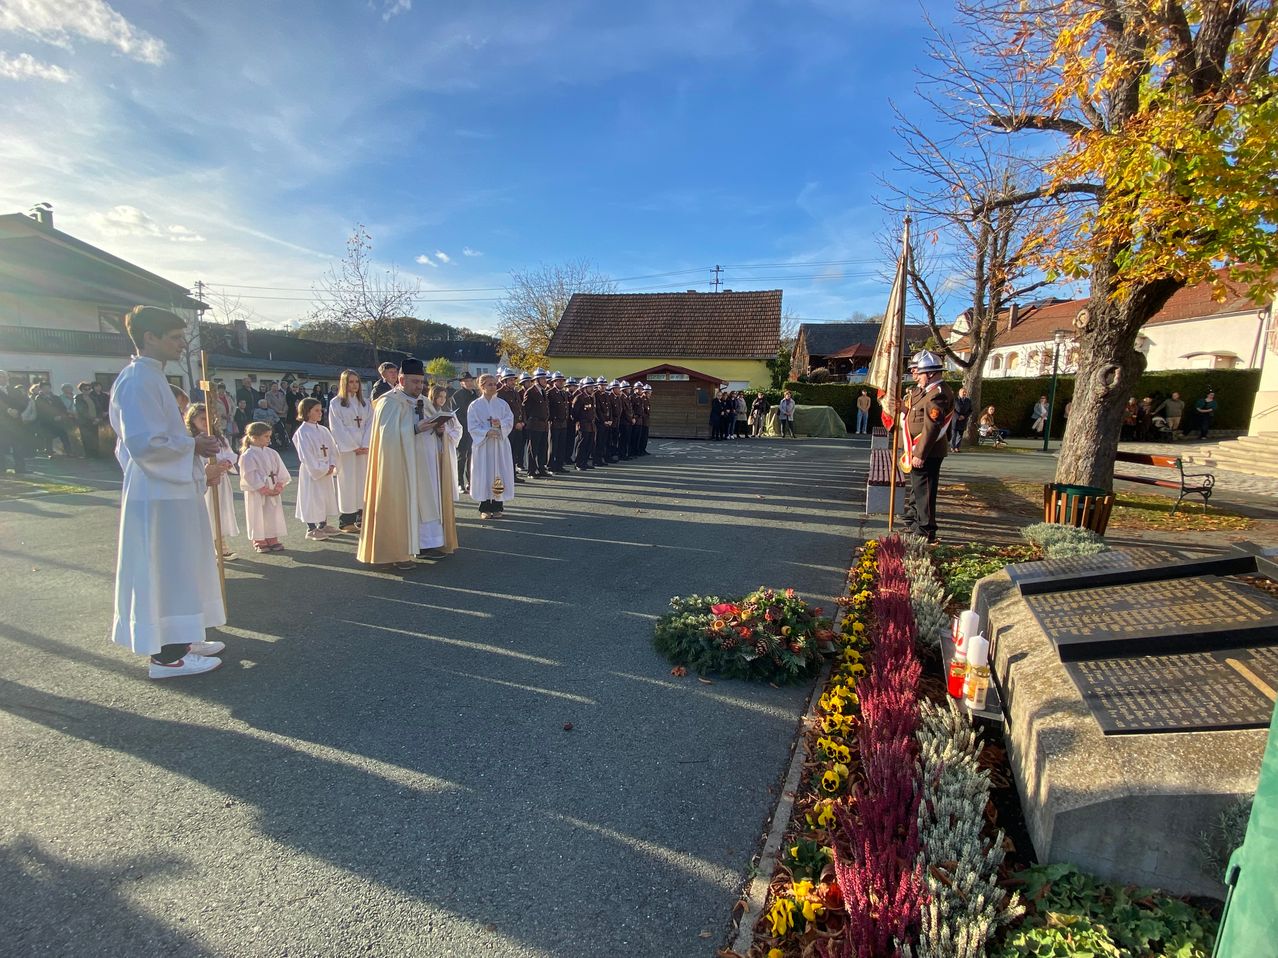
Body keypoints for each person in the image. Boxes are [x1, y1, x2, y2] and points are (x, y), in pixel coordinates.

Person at [109, 306, 226, 679]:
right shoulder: (137, 380)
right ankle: (166, 656)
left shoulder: (153, 377)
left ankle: (184, 635)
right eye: (175, 338)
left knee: (182, 564)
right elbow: (145, 444)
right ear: (149, 338)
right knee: (166, 567)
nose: (181, 345)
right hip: (157, 492)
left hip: (170, 490)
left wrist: (193, 444)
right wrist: (193, 445)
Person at [358, 358, 454, 571]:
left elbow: (434, 424)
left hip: (426, 463)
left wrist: (439, 431)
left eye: (421, 382)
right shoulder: (388, 401)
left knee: (428, 500)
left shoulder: (424, 401)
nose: (419, 386)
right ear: (401, 379)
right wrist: (414, 429)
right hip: (400, 466)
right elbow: (386, 437)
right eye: (414, 382)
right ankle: (396, 550)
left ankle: (427, 543)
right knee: (403, 503)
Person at [901, 350, 955, 544]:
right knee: (918, 490)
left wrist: (920, 453)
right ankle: (917, 522)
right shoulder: (929, 391)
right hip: (921, 450)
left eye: (919, 372)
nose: (916, 376)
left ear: (930, 373)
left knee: (926, 492)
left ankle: (926, 529)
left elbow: (932, 427)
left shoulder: (938, 394)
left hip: (928, 452)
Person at [186, 403, 239, 559]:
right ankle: (206, 550)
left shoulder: (219, 437)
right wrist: (207, 470)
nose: (206, 422)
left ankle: (221, 544)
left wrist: (227, 463)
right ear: (192, 419)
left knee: (220, 512)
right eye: (202, 418)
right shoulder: (190, 439)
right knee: (206, 512)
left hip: (221, 481)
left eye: (209, 419)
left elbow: (231, 454)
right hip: (203, 482)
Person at [327, 370, 372, 532]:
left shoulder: (366, 403)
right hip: (347, 450)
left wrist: (365, 444)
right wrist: (354, 446)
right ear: (344, 383)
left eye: (357, 382)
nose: (354, 385)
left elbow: (370, 424)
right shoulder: (336, 403)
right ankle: (346, 520)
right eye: (351, 382)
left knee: (363, 481)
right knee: (348, 483)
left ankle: (362, 517)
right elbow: (336, 427)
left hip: (364, 448)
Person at [467, 373, 515, 520]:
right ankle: (485, 506)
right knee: (485, 474)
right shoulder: (475, 406)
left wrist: (501, 424)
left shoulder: (502, 404)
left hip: (499, 444)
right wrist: (486, 432)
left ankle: (498, 505)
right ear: (482, 387)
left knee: (499, 472)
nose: (494, 387)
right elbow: (472, 426)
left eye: (495, 384)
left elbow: (509, 420)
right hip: (484, 446)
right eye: (490, 384)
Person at [421, 382, 462, 554]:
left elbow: (458, 430)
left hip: (446, 451)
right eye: (439, 396)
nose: (442, 400)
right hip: (431, 453)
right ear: (433, 396)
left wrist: (446, 432)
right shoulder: (427, 411)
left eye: (444, 397)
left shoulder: (449, 414)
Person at [292, 397, 340, 540]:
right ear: (307, 412)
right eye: (317, 410)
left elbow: (332, 449)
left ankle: (323, 525)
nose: (321, 413)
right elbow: (306, 455)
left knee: (324, 497)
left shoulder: (324, 430)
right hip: (312, 471)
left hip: (326, 469)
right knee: (312, 498)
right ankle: (311, 528)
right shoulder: (303, 432)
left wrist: (331, 465)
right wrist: (321, 468)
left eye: (321, 410)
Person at [239, 421, 289, 553]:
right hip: (257, 493)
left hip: (273, 489)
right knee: (257, 514)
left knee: (271, 513)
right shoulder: (248, 455)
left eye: (269, 436)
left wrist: (279, 485)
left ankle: (272, 537)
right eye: (266, 436)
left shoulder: (272, 453)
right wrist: (263, 488)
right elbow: (249, 474)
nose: (269, 439)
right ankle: (259, 540)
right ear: (254, 437)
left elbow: (281, 470)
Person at [522, 369, 551, 477]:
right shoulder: (531, 391)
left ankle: (541, 469)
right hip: (534, 424)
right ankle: (531, 471)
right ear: (536, 380)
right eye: (543, 378)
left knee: (542, 448)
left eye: (545, 378)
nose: (545, 380)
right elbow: (525, 408)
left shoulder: (543, 391)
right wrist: (528, 421)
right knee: (533, 449)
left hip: (543, 425)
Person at [452, 372, 479, 488]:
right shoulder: (457, 395)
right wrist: (466, 426)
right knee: (461, 457)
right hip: (463, 429)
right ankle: (459, 483)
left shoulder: (475, 394)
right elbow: (457, 414)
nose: (468, 383)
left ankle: (470, 481)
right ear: (461, 383)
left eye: (470, 381)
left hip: (473, 430)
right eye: (466, 381)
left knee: (471, 457)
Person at [0, 370, 30, 474]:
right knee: (1, 447)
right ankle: (1, 469)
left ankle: (20, 468)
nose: (2, 378)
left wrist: (18, 410)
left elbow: (23, 402)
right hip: (2, 424)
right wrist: (8, 410)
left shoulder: (14, 390)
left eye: (4, 376)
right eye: (0, 376)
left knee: (18, 446)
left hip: (15, 423)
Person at [547, 372, 571, 473]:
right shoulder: (550, 392)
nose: (561, 382)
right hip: (555, 422)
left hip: (563, 423)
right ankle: (551, 466)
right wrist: (552, 419)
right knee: (553, 445)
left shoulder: (564, 393)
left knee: (561, 445)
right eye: (559, 380)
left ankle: (559, 465)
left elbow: (566, 407)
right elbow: (548, 408)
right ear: (554, 382)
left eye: (562, 380)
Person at [571, 377, 596, 469]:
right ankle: (578, 463)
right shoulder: (579, 398)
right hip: (583, 425)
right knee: (581, 445)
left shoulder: (591, 398)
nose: (592, 389)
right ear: (585, 388)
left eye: (592, 387)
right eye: (590, 387)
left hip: (591, 426)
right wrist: (579, 423)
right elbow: (574, 414)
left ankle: (584, 462)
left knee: (589, 445)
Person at [74, 382, 102, 458]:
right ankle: (88, 454)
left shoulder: (93, 398)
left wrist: (98, 418)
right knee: (86, 438)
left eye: (89, 389)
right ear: (81, 390)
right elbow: (82, 411)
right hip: (85, 422)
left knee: (95, 438)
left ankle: (96, 454)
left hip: (95, 421)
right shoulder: (78, 398)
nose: (87, 390)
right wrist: (93, 418)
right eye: (85, 389)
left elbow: (99, 408)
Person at [951, 386, 973, 452]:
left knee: (960, 435)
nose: (964, 393)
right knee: (954, 435)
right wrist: (958, 416)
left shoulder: (968, 401)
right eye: (963, 392)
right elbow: (952, 409)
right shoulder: (955, 400)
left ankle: (957, 447)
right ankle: (952, 447)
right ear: (959, 393)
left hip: (963, 420)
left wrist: (964, 416)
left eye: (965, 392)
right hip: (955, 420)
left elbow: (970, 410)